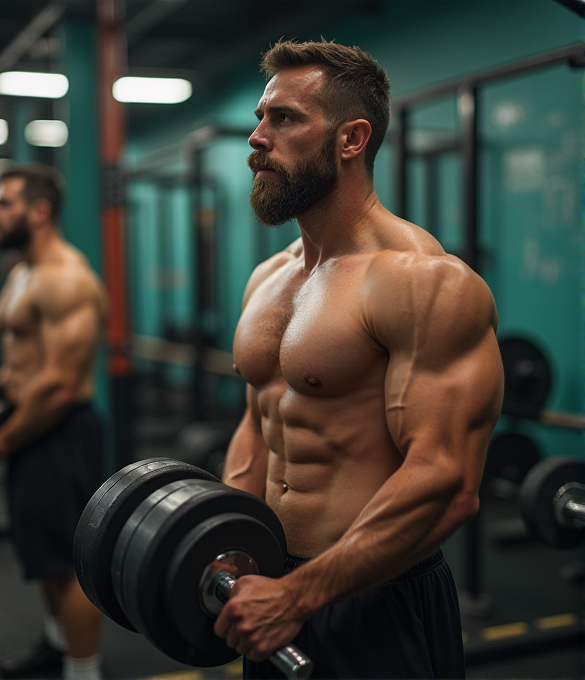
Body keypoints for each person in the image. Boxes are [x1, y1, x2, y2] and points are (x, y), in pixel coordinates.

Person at [214, 40, 505, 679]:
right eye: (260, 119)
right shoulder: (267, 279)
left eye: (284, 119)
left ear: (352, 139)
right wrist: (231, 547)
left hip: (376, 589)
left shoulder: (423, 281)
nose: (258, 139)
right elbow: (257, 428)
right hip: (272, 587)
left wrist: (301, 594)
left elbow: (447, 481)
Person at [0, 163, 108, 680]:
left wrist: (1, 440)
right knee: (44, 558)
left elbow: (60, 385)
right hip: (29, 430)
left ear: (39, 211)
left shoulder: (66, 279)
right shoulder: (21, 272)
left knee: (69, 565)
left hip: (61, 431)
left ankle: (82, 671)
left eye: (4, 203)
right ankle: (55, 645)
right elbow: (17, 366)